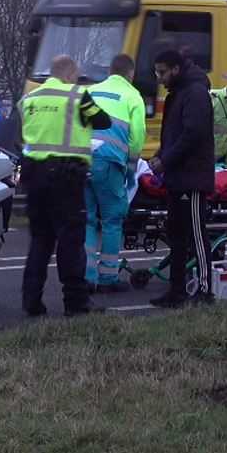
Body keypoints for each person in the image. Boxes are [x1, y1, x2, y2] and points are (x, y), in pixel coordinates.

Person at [18, 53, 112, 317]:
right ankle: (76, 302)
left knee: (40, 240)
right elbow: (102, 121)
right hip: (66, 178)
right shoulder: (77, 95)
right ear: (71, 73)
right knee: (71, 242)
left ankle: (31, 299)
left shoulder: (29, 99)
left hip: (33, 176)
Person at [149, 48, 217, 306]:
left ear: (176, 69)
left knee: (196, 234)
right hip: (178, 176)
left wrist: (166, 161)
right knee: (176, 235)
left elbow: (193, 135)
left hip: (192, 176)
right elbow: (174, 136)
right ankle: (177, 291)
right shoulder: (178, 93)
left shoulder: (195, 93)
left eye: (162, 72)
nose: (159, 77)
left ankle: (205, 291)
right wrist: (159, 156)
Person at [84, 53, 147, 293]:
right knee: (111, 220)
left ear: (110, 71)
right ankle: (108, 279)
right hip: (108, 163)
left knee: (87, 220)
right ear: (130, 74)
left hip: (83, 161)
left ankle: (87, 276)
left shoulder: (91, 91)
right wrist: (131, 170)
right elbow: (137, 137)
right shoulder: (133, 96)